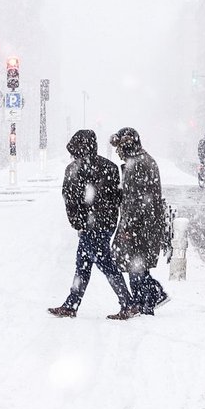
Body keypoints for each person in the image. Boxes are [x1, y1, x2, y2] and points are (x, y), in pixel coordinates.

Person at [48, 130, 136, 320]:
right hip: (105, 224)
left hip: (90, 226)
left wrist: (79, 223)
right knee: (83, 264)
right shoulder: (110, 167)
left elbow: (70, 200)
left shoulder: (74, 169)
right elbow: (118, 197)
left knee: (105, 264)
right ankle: (71, 304)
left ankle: (128, 303)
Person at [110, 127, 169, 314]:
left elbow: (136, 200)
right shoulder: (143, 160)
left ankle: (142, 301)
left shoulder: (137, 163)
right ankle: (149, 299)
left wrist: (129, 226)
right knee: (138, 264)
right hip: (147, 223)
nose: (118, 152)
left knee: (135, 264)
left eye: (119, 146)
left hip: (140, 224)